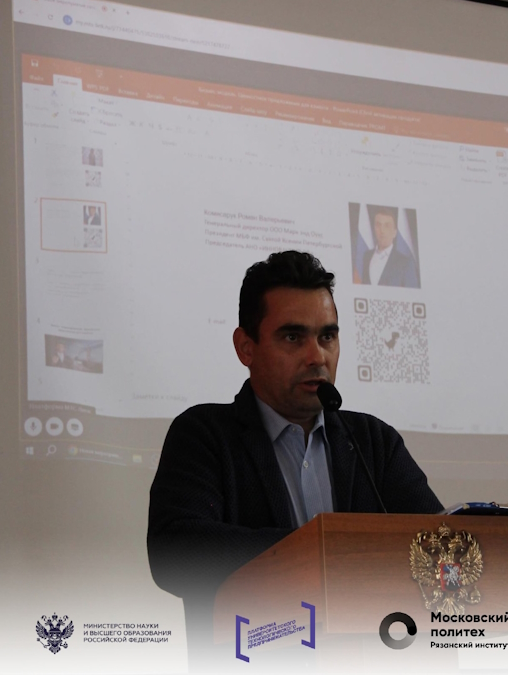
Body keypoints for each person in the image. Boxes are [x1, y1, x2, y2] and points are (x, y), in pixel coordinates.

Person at [147, 250, 441, 652]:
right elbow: (174, 554)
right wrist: (320, 552)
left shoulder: (373, 441)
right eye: (293, 337)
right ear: (245, 348)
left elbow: (440, 550)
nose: (317, 356)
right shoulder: (204, 434)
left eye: (327, 337)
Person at [361, 207, 420, 288]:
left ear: (394, 232)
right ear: (374, 228)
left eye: (387, 226)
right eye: (378, 225)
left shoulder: (406, 263)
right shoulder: (367, 256)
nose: (382, 230)